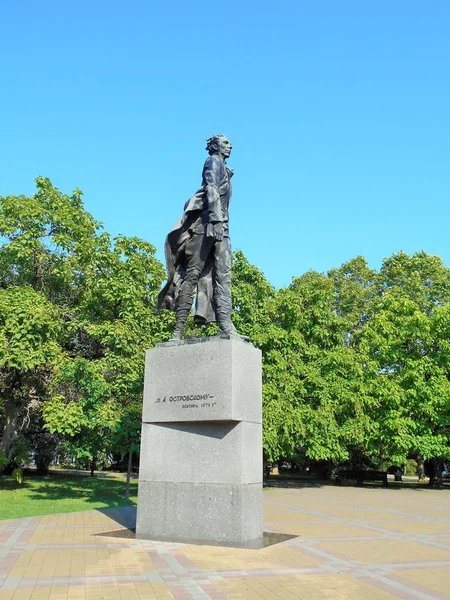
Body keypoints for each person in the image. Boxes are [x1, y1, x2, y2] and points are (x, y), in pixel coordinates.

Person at [157, 134, 240, 340]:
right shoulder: (212, 161)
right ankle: (177, 332)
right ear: (215, 146)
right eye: (225, 143)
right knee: (192, 275)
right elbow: (210, 188)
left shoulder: (223, 168)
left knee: (223, 275)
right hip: (208, 225)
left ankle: (226, 325)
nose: (230, 146)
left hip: (222, 226)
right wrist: (215, 219)